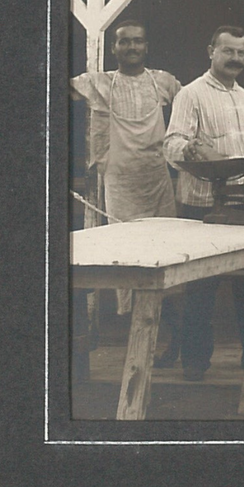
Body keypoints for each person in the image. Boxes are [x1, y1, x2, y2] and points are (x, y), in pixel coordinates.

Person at [162, 25, 244, 381]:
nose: (235, 59)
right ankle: (194, 361)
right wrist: (192, 148)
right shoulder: (191, 95)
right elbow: (171, 145)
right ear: (211, 51)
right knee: (201, 287)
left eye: (241, 53)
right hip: (204, 205)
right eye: (228, 51)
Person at [70, 19, 181, 315]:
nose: (132, 46)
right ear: (113, 48)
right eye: (125, 41)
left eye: (137, 40)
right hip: (121, 184)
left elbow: (191, 106)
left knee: (165, 248)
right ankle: (131, 321)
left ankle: (165, 324)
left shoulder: (164, 82)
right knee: (127, 250)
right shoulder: (100, 82)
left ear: (146, 46)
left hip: (157, 180)